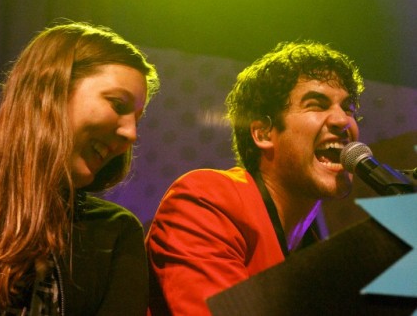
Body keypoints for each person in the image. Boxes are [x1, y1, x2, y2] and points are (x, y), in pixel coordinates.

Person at [0, 21, 159, 315]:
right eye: (118, 105)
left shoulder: (113, 234)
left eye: (137, 118)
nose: (131, 134)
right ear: (50, 90)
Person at [146, 40, 364, 315]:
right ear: (262, 133)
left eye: (348, 108)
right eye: (316, 104)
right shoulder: (205, 200)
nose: (343, 121)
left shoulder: (318, 255)